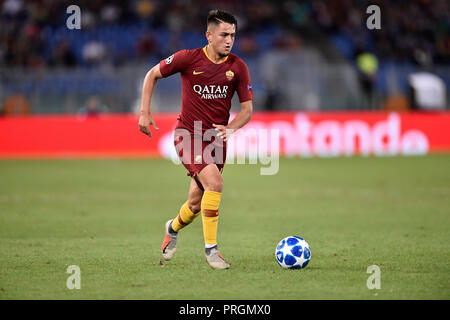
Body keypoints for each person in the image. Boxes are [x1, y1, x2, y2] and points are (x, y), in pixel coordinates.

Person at [138, 9, 253, 270]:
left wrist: (231, 129)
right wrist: (145, 112)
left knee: (195, 203)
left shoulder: (238, 67)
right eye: (224, 34)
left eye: (233, 35)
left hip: (217, 142)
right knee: (215, 182)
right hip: (187, 135)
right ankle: (212, 251)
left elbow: (247, 111)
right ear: (209, 36)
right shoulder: (187, 59)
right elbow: (151, 74)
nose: (229, 40)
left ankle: (172, 227)